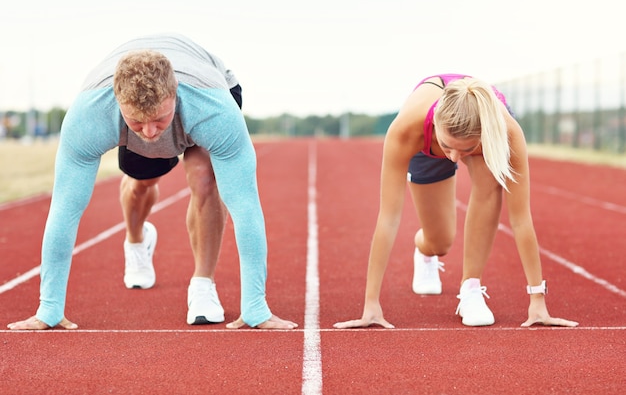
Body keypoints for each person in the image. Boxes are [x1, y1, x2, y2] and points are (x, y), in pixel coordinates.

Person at [7, 33, 297, 330]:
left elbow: (244, 204)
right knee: (142, 183)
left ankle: (202, 285)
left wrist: (255, 306)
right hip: (131, 106)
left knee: (205, 177)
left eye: (159, 119)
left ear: (174, 94)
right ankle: (136, 240)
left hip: (205, 89)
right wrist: (49, 308)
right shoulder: (89, 116)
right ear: (118, 103)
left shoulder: (215, 111)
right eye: (137, 123)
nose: (148, 132)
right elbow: (65, 209)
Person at [334, 74, 579, 329]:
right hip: (426, 139)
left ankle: (471, 287)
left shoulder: (504, 131)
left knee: (488, 187)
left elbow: (520, 219)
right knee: (440, 241)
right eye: (448, 147)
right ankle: (425, 251)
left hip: (484, 137)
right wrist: (371, 303)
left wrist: (537, 299)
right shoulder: (406, 129)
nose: (453, 158)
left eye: (464, 150)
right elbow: (388, 218)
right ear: (437, 125)